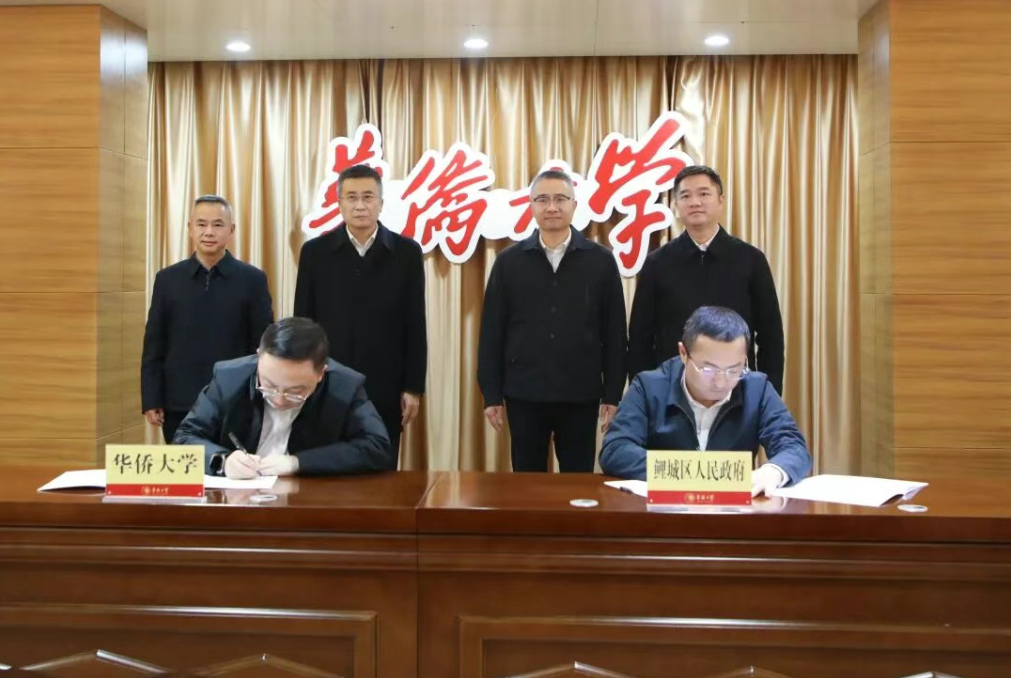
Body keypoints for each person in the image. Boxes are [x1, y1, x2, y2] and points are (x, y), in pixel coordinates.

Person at [477, 169, 627, 472]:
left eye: (560, 199)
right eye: (543, 199)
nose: (552, 207)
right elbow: (492, 332)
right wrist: (491, 394)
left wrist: (612, 393)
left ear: (574, 204)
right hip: (524, 393)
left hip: (581, 393)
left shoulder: (600, 260)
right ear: (531, 205)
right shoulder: (509, 262)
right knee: (527, 480)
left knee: (577, 478)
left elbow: (614, 333)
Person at [601, 306, 811, 497]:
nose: (721, 382)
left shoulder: (757, 389)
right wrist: (694, 472)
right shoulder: (649, 386)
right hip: (662, 513)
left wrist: (773, 471)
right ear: (683, 353)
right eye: (708, 369)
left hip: (733, 515)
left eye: (734, 370)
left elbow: (794, 447)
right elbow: (616, 449)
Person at [294, 164, 426, 462]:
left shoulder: (406, 253)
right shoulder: (315, 252)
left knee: (381, 468)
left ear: (381, 203)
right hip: (327, 382)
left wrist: (413, 387)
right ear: (339, 203)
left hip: (386, 383)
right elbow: (303, 323)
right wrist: (303, 378)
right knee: (328, 468)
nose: (360, 205)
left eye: (368, 197)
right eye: (351, 197)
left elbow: (415, 324)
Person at [627, 165, 786, 393]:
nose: (695, 202)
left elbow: (770, 335)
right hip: (672, 391)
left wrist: (768, 393)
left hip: (736, 388)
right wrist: (643, 394)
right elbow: (640, 339)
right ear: (676, 205)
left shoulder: (750, 259)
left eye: (703, 194)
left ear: (721, 201)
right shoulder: (657, 263)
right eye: (685, 196)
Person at [174, 317, 392, 478]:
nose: (279, 399)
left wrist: (298, 463)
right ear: (259, 357)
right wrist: (222, 460)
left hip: (308, 500)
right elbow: (185, 437)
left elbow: (377, 447)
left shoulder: (344, 386)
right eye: (269, 386)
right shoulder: (229, 378)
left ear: (321, 373)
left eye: (295, 391)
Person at [141, 195, 274, 443]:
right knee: (186, 466)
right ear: (190, 228)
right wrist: (151, 398)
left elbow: (263, 345)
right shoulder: (168, 279)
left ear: (231, 230)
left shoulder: (252, 279)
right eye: (201, 224)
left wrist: (261, 397)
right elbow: (154, 344)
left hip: (235, 400)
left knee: (232, 464)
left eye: (218, 224)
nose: (209, 232)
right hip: (178, 401)